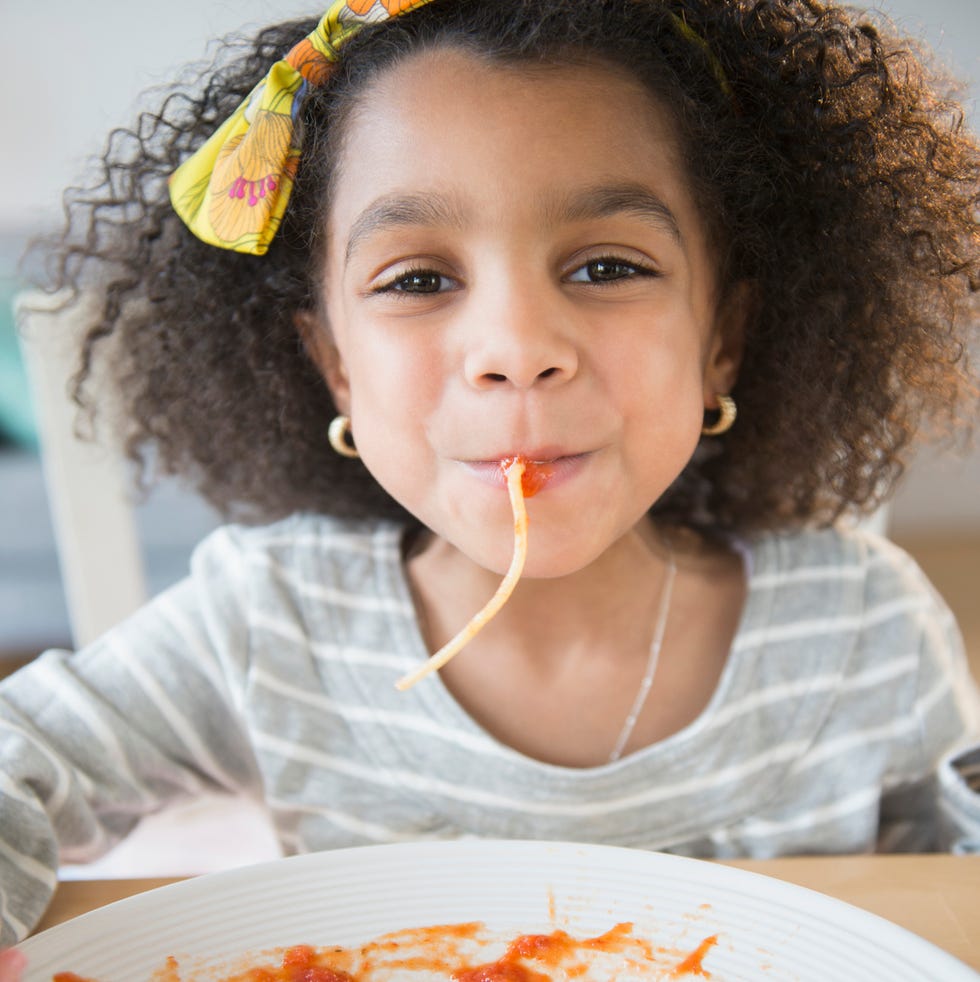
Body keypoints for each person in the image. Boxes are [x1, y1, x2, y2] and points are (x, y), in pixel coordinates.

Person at [2, 0, 979, 960]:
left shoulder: (865, 633)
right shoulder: (269, 623)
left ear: (717, 340)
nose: (515, 349)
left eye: (604, 266)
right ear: (336, 365)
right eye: (418, 279)